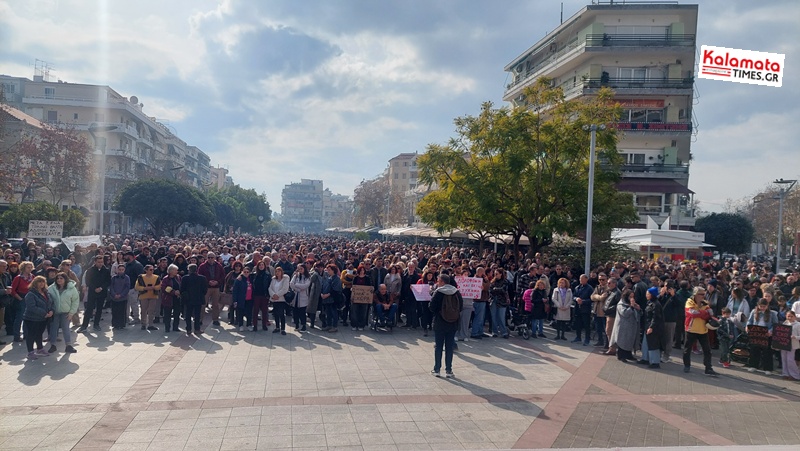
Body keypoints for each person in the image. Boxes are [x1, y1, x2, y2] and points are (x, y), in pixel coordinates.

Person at [430, 274, 463, 378]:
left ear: (443, 282)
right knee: (449, 347)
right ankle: (449, 370)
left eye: (438, 281)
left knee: (438, 346)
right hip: (453, 323)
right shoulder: (456, 292)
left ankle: (437, 369)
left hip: (440, 322)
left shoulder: (438, 292)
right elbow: (460, 307)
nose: (437, 283)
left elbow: (431, 306)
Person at [683, 287, 718, 376]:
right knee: (687, 349)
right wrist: (703, 313)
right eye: (701, 294)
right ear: (695, 294)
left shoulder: (705, 303)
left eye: (704, 294)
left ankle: (708, 368)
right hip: (691, 329)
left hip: (703, 330)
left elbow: (710, 313)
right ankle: (687, 365)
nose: (703, 296)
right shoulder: (689, 302)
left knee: (707, 350)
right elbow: (691, 313)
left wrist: (700, 313)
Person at [46, 272, 79, 354]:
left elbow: (75, 301)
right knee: (53, 328)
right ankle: (53, 345)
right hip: (55, 312)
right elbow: (48, 300)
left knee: (66, 328)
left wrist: (71, 313)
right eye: (58, 278)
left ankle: (68, 345)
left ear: (65, 279)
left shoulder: (71, 288)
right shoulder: (51, 288)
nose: (59, 280)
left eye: (61, 278)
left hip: (66, 312)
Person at [745, 298, 779, 375]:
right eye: (761, 306)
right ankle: (753, 365)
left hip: (766, 334)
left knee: (767, 352)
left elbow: (775, 324)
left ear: (767, 306)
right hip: (756, 333)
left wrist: (770, 331)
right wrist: (747, 326)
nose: (762, 308)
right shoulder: (754, 311)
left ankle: (768, 368)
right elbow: (749, 321)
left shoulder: (772, 313)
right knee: (754, 349)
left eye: (764, 306)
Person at [23, 275, 53, 360]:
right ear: (34, 283)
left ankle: (40, 349)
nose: (41, 284)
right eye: (39, 282)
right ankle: (30, 352)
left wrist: (51, 311)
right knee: (31, 335)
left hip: (43, 319)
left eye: (43, 282)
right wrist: (44, 313)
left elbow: (50, 303)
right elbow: (31, 307)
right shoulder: (31, 294)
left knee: (39, 334)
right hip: (32, 319)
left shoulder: (46, 293)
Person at [79, 255, 110, 333]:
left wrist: (101, 288)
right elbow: (88, 281)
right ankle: (84, 326)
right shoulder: (90, 270)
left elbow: (108, 281)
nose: (100, 264)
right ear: (95, 262)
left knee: (99, 309)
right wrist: (94, 288)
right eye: (98, 262)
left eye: (101, 262)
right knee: (89, 309)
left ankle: (96, 324)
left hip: (102, 292)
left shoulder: (106, 270)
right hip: (92, 292)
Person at [610, 290, 640, 363]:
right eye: (630, 297)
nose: (632, 298)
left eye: (633, 297)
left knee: (629, 341)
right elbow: (625, 313)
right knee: (622, 341)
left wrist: (638, 309)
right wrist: (632, 307)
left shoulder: (632, 303)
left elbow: (638, 313)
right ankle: (621, 356)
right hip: (623, 326)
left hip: (631, 326)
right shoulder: (621, 304)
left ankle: (628, 354)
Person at [639, 287, 665, 368]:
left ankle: (655, 362)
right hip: (647, 326)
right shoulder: (650, 302)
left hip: (653, 328)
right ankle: (645, 358)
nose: (646, 295)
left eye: (648, 294)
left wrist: (651, 327)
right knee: (646, 343)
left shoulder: (656, 304)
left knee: (653, 344)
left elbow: (656, 317)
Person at [198, 251, 225, 327]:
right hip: (206, 287)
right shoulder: (202, 266)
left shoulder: (219, 266)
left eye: (212, 257)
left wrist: (217, 282)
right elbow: (199, 276)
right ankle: (200, 319)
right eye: (209, 257)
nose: (210, 259)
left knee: (215, 304)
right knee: (203, 304)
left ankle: (215, 319)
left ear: (214, 258)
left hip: (216, 287)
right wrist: (207, 282)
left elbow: (223, 276)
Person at [9, 261, 35, 341]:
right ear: (23, 268)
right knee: (19, 318)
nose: (30, 269)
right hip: (20, 298)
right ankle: (16, 336)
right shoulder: (18, 278)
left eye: (31, 267)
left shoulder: (32, 277)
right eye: (28, 267)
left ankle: (26, 335)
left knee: (28, 318)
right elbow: (13, 290)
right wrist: (20, 299)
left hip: (30, 298)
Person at [180, 264, 207, 335]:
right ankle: (197, 329)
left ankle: (188, 329)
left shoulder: (184, 278)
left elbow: (182, 289)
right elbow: (205, 290)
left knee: (188, 314)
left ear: (189, 270)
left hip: (188, 299)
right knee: (197, 315)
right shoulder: (202, 278)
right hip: (198, 299)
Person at [135, 265, 161, 331]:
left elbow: (160, 286)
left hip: (153, 296)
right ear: (146, 270)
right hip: (144, 296)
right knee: (143, 310)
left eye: (152, 270)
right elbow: (137, 287)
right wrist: (145, 288)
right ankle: (143, 324)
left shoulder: (156, 277)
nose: (152, 271)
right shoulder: (141, 277)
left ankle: (151, 324)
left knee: (151, 311)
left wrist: (154, 287)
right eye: (150, 270)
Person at [320, 264, 343, 333]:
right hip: (326, 298)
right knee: (328, 312)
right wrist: (322, 293)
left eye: (329, 270)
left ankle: (334, 326)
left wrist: (328, 294)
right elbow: (323, 286)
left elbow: (336, 289)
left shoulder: (337, 279)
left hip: (333, 299)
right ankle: (329, 325)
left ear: (333, 270)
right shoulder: (328, 278)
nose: (328, 271)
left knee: (334, 312)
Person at [488, 269, 510, 339]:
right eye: (495, 274)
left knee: (501, 317)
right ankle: (494, 332)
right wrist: (496, 290)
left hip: (502, 301)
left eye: (497, 274)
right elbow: (491, 290)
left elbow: (504, 290)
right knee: (493, 317)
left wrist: (496, 289)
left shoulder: (505, 281)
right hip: (493, 300)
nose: (496, 275)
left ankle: (504, 332)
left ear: (501, 274)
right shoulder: (493, 282)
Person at [160, 264, 182, 333]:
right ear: (171, 271)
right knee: (167, 314)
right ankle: (167, 327)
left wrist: (179, 291)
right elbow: (164, 288)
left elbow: (181, 285)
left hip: (177, 298)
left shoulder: (178, 277)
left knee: (177, 313)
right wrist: (173, 292)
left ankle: (176, 327)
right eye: (175, 270)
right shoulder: (165, 279)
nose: (177, 271)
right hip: (168, 299)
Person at [269, 266, 290, 335]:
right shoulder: (273, 279)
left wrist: (277, 295)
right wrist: (273, 295)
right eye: (276, 271)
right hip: (274, 299)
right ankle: (277, 327)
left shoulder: (285, 279)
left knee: (281, 314)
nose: (277, 273)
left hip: (281, 299)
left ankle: (283, 328)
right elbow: (270, 288)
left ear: (281, 272)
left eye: (279, 271)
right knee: (276, 314)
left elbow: (285, 289)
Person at [573, 275, 594, 345]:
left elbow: (591, 299)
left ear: (586, 279)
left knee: (586, 324)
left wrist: (583, 301)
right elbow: (573, 296)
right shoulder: (577, 287)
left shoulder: (589, 288)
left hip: (585, 309)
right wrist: (576, 299)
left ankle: (587, 339)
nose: (581, 280)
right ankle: (578, 337)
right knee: (578, 323)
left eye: (582, 279)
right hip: (577, 309)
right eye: (580, 279)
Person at [232, 266, 254, 332]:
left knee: (249, 313)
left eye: (247, 272)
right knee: (240, 312)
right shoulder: (239, 280)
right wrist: (235, 300)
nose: (246, 273)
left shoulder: (251, 279)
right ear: (242, 272)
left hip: (250, 299)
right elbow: (235, 291)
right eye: (244, 272)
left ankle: (249, 324)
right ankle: (241, 325)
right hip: (241, 299)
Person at [108, 264, 130, 330]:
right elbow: (111, 287)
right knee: (114, 311)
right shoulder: (114, 278)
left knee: (122, 311)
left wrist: (121, 295)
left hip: (123, 298)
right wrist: (114, 294)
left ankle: (121, 324)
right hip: (114, 298)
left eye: (122, 270)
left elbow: (127, 288)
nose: (121, 271)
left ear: (124, 270)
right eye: (119, 269)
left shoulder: (126, 278)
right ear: (117, 270)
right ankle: (115, 324)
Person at [290, 263, 311, 331]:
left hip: (303, 296)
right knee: (295, 311)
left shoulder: (307, 276)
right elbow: (291, 284)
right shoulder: (295, 276)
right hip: (295, 296)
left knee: (302, 312)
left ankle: (303, 325)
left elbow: (306, 285)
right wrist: (298, 288)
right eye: (298, 269)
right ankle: (296, 325)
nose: (300, 270)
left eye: (301, 269)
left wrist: (297, 285)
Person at [780, 310, 800, 381]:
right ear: (786, 316)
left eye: (791, 316)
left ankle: (795, 375)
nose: (790, 318)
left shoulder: (798, 325)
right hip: (784, 344)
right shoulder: (785, 323)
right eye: (788, 316)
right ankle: (785, 373)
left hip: (792, 344)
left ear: (794, 317)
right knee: (784, 359)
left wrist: (795, 337)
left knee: (790, 359)